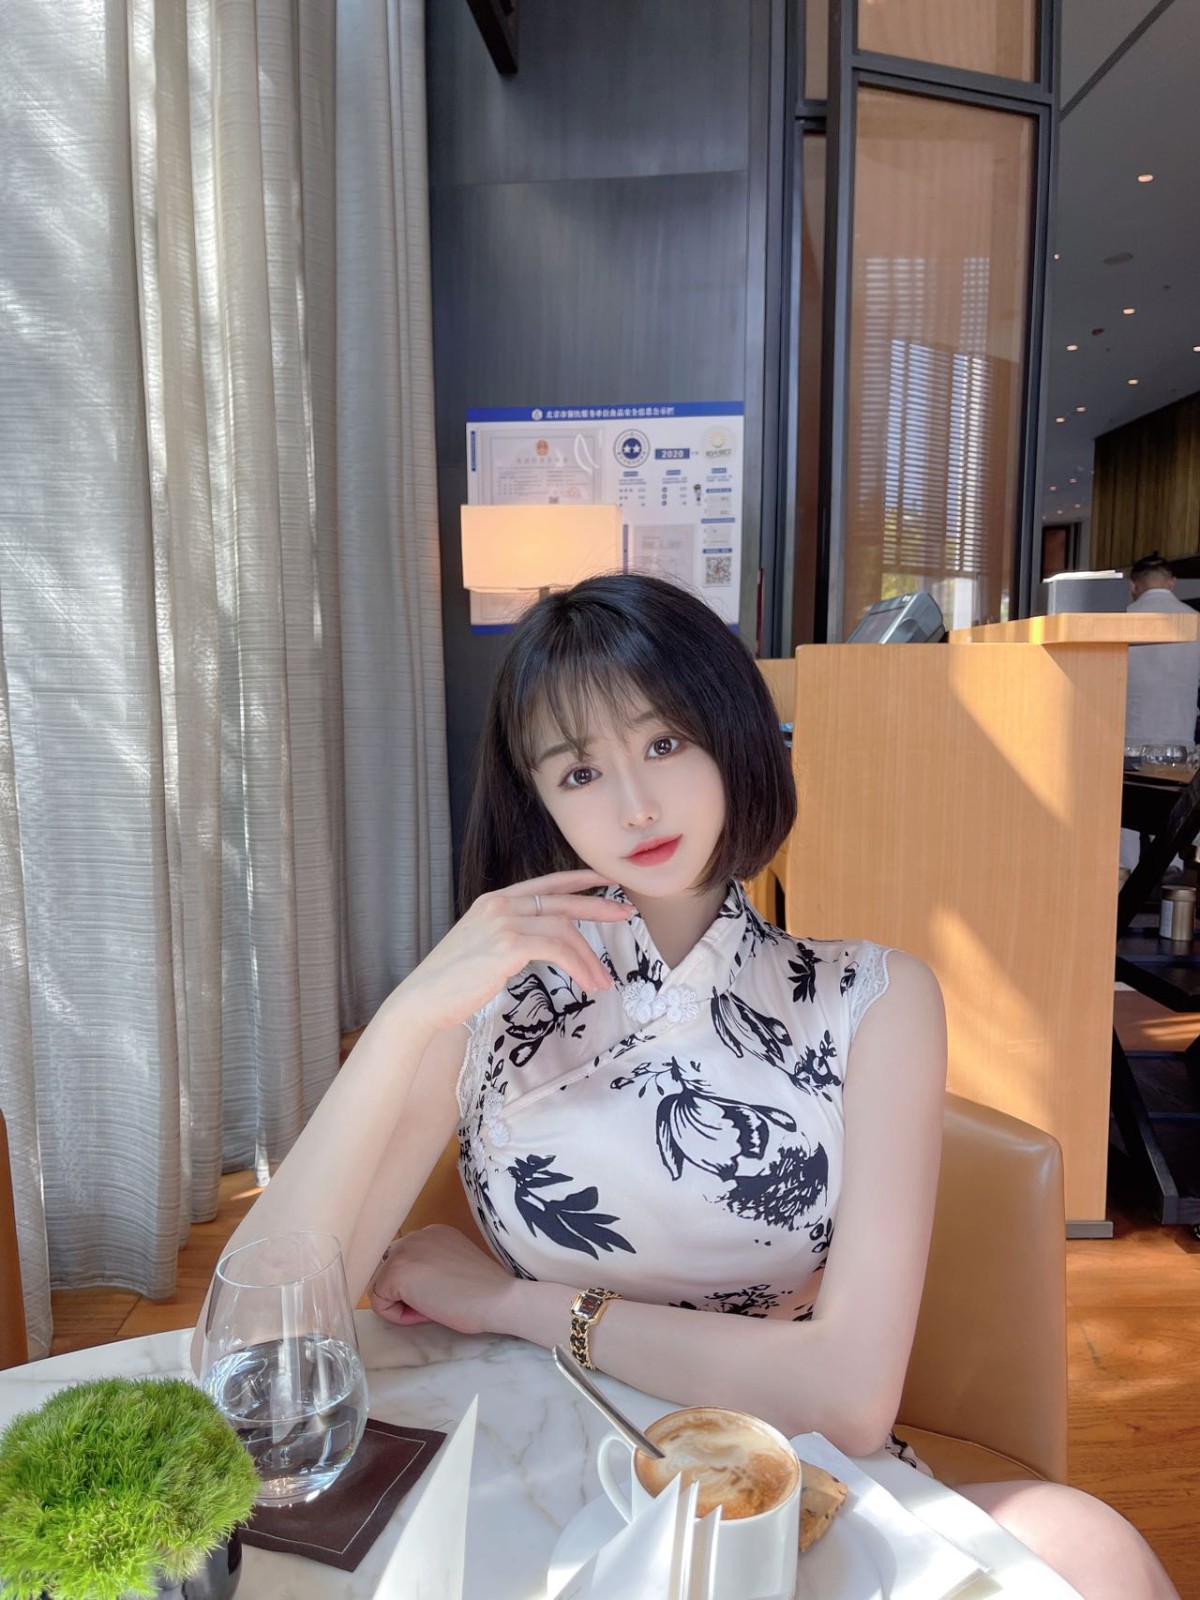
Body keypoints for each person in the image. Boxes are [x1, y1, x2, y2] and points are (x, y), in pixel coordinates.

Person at [196, 573, 1177, 1599]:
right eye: (580, 771)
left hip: (779, 1469)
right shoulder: (493, 1006)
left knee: (1094, 1551)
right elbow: (260, 1346)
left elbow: (848, 1399)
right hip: (541, 1457)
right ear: (538, 798)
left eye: (664, 743)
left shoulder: (871, 999)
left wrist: (511, 1302)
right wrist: (406, 1017)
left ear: (731, 734)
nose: (636, 805)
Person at [1121, 552, 1200, 871]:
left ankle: (1123, 876)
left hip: (1129, 739)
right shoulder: (1194, 621)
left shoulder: (1120, 620)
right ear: (1172, 583)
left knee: (1124, 815)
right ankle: (1172, 879)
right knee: (1172, 817)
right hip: (1179, 740)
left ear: (1133, 586)